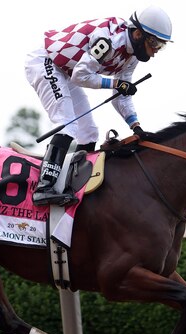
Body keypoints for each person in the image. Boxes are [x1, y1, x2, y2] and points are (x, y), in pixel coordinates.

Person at [25, 5, 173, 206]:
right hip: (46, 63)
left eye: (160, 47)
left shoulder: (131, 56)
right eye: (154, 44)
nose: (154, 52)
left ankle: (76, 184)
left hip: (66, 71)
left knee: (89, 132)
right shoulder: (110, 41)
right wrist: (116, 83)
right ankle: (44, 187)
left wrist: (136, 127)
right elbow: (81, 76)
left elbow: (121, 94)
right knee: (68, 124)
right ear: (138, 34)